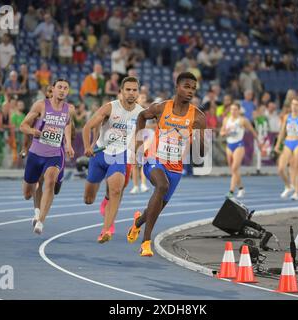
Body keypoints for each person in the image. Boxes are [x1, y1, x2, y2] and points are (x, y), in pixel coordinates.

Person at [126, 72, 207, 257]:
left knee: (154, 210)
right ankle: (146, 243)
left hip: (175, 167)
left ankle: (138, 222)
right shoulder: (161, 108)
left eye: (193, 88)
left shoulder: (199, 117)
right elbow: (141, 116)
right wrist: (139, 144)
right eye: (186, 86)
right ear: (177, 87)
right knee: (161, 186)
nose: (190, 91)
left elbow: (202, 154)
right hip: (154, 159)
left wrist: (198, 138)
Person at [82, 76, 143, 243]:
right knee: (88, 199)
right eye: (128, 90)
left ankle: (106, 230)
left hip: (119, 155)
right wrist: (88, 146)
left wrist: (137, 153)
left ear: (138, 92)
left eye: (134, 90)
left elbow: (140, 135)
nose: (131, 93)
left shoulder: (140, 113)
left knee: (116, 190)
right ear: (121, 92)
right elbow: (87, 127)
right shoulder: (110, 108)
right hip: (99, 154)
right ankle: (105, 200)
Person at [20, 79, 75, 234]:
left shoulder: (68, 109)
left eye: (66, 88)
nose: (62, 90)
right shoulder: (41, 105)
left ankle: (41, 221)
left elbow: (68, 124)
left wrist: (68, 144)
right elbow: (23, 125)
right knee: (27, 193)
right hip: (36, 153)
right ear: (53, 89)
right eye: (59, 87)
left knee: (50, 182)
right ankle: (36, 209)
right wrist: (33, 132)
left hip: (54, 154)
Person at [220, 101, 260, 198]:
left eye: (235, 109)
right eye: (232, 109)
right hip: (229, 145)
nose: (233, 111)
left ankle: (231, 191)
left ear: (239, 111)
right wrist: (225, 132)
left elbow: (252, 131)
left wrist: (259, 142)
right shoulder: (226, 119)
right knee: (233, 170)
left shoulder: (243, 120)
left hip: (239, 145)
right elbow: (221, 132)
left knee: (234, 168)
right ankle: (241, 188)